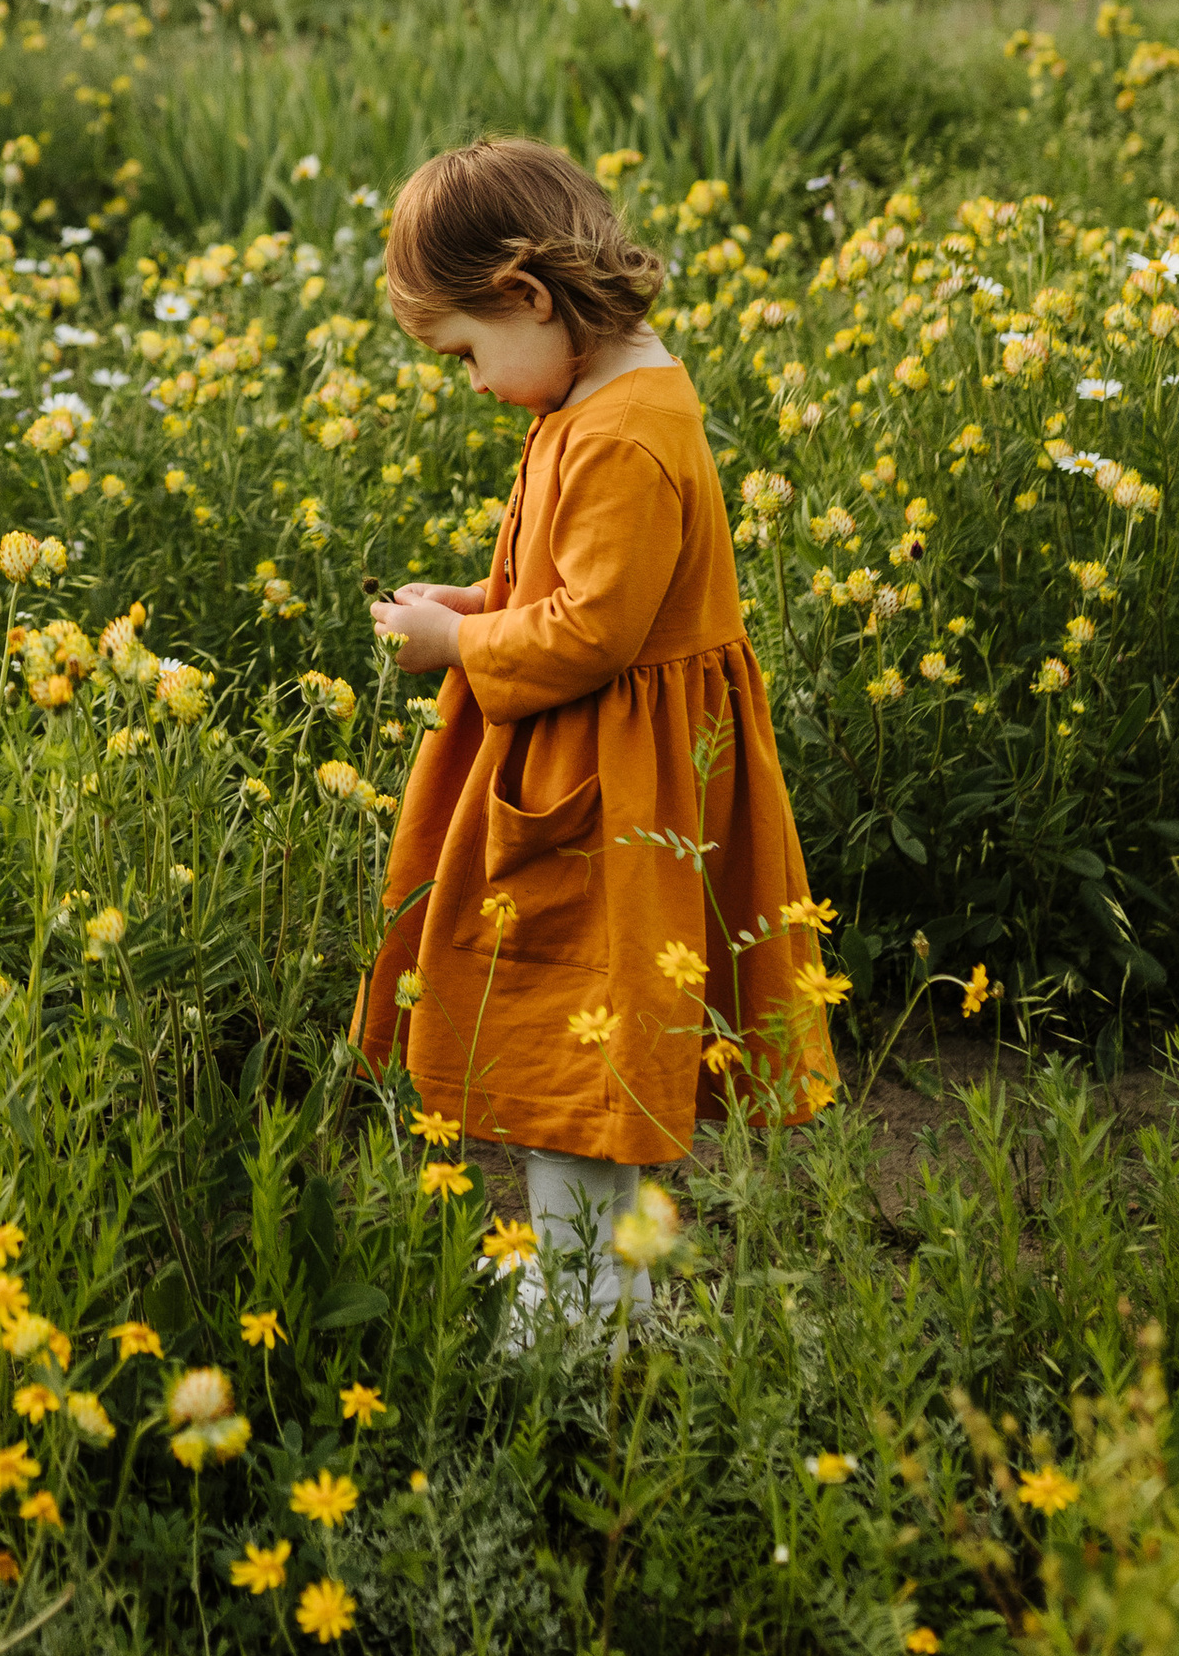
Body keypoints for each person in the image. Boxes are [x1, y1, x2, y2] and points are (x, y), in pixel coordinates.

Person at [351, 136, 840, 1321]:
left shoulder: (620, 434)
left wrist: (457, 644)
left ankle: (576, 1309)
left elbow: (592, 634)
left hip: (612, 790)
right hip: (608, 766)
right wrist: (477, 601)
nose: (473, 384)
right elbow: (583, 586)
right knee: (586, 1030)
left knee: (573, 1030)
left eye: (465, 352)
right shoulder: (603, 400)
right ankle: (608, 1284)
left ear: (526, 294)